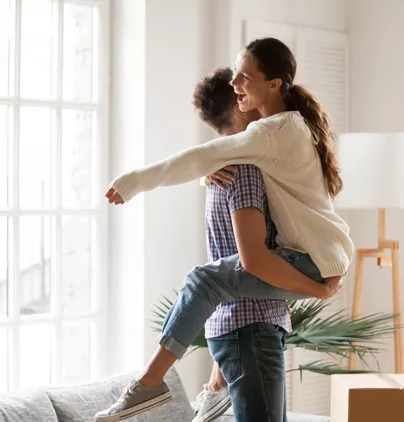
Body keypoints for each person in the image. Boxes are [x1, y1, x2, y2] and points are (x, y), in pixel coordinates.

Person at [95, 37, 354, 422]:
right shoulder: (273, 136)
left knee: (204, 280)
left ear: (274, 84)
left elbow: (205, 156)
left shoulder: (270, 134)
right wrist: (206, 176)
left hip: (310, 262)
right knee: (205, 281)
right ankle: (159, 385)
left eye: (245, 77)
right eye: (235, 76)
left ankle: (149, 385)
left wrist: (134, 182)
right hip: (299, 273)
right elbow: (218, 160)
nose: (237, 84)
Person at [185, 68, 294, 422]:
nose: (256, 100)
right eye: (246, 93)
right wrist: (317, 288)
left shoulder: (225, 167)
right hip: (252, 324)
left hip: (242, 324)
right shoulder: (243, 168)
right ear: (238, 105)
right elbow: (253, 260)